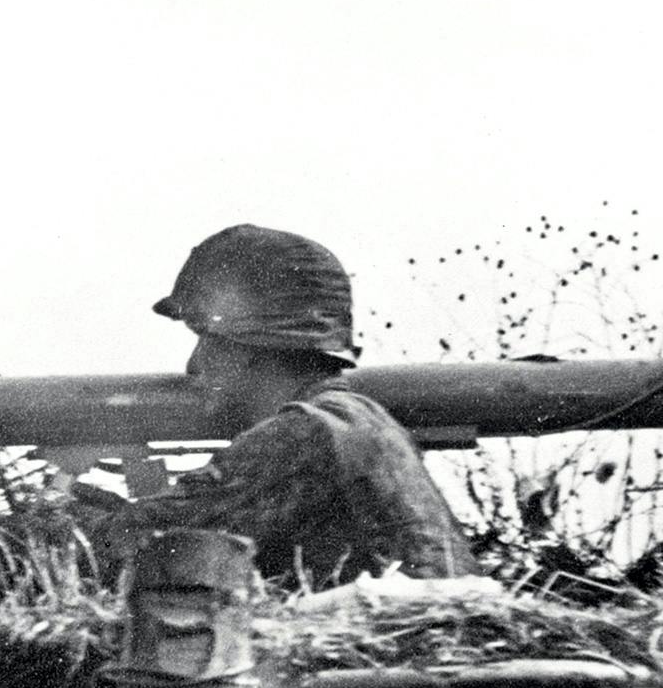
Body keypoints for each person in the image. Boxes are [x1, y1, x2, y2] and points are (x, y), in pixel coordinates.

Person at [100, 223, 480, 586]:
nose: (194, 364)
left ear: (245, 345)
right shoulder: (355, 418)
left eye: (206, 339)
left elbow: (151, 541)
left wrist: (55, 514)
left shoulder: (305, 432)